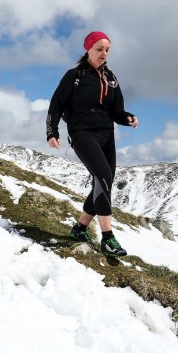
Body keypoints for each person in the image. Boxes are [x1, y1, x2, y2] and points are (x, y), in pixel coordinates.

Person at [45, 31, 138, 258]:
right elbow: (56, 104)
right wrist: (51, 131)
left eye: (107, 50)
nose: (104, 53)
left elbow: (116, 110)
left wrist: (127, 118)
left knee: (104, 181)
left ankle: (79, 228)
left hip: (106, 134)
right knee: (103, 176)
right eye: (99, 49)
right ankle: (107, 238)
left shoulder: (111, 78)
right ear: (88, 49)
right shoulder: (74, 75)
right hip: (82, 132)